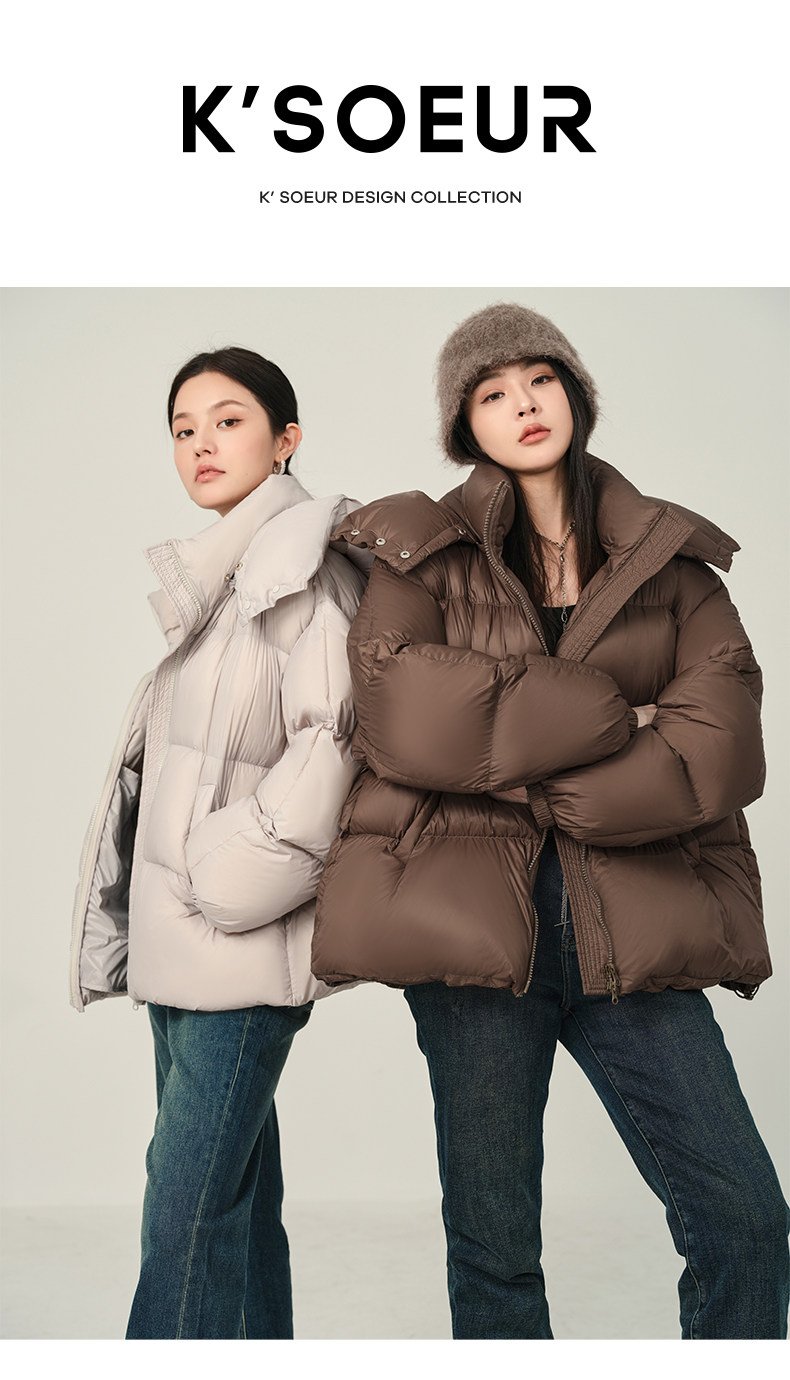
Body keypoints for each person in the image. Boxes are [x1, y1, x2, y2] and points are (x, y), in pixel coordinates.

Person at [311, 303, 790, 1339]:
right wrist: (621, 716)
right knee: (494, 1252)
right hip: (474, 943)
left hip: (635, 927)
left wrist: (523, 765)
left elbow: (723, 737)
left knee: (747, 1222)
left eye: (540, 380)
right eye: (492, 393)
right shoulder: (422, 552)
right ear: (465, 425)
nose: (523, 404)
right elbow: (403, 715)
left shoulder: (672, 561)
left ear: (575, 394)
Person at [70, 346, 367, 1339]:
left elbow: (333, 746)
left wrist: (220, 879)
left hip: (234, 945)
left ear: (286, 440)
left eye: (228, 420)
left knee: (185, 1218)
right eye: (183, 429)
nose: (201, 443)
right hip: (187, 947)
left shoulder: (297, 573)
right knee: (230, 1211)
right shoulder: (229, 577)